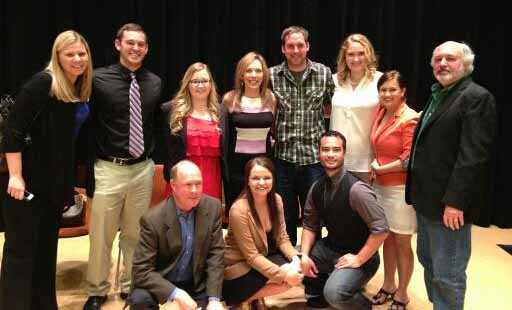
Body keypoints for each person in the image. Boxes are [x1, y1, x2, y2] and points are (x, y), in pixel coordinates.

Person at [0, 30, 93, 310]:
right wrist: (16, 176)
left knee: (45, 252)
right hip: (25, 187)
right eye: (70, 54)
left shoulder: (76, 88)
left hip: (51, 187)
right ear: (57, 56)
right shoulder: (42, 84)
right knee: (21, 253)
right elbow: (12, 133)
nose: (77, 59)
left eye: (82, 53)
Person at [406, 41, 496, 310]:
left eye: (450, 59)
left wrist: (456, 201)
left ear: (465, 64)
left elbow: (473, 157)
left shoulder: (476, 97)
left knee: (448, 273)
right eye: (438, 59)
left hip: (449, 206)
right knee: (429, 261)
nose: (443, 63)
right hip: (427, 202)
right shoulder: (439, 94)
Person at [84, 23, 163, 310]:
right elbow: (85, 124)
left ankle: (132, 286)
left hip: (142, 168)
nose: (135, 48)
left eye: (141, 44)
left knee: (135, 234)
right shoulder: (98, 79)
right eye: (130, 43)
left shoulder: (154, 82)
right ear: (118, 44)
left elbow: (155, 124)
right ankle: (96, 289)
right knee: (101, 235)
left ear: (147, 48)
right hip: (109, 167)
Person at [300, 130, 389, 309]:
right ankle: (322, 284)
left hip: (361, 255)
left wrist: (358, 259)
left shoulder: (357, 190)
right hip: (329, 248)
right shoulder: (317, 187)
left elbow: (382, 229)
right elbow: (309, 225)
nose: (330, 154)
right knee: (293, 260)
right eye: (325, 149)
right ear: (319, 152)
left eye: (336, 149)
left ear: (344, 153)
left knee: (335, 295)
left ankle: (362, 305)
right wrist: (303, 256)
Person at [128, 160, 224, 310]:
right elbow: (141, 269)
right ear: (173, 185)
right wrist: (175, 293)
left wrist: (214, 299)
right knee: (140, 300)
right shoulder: (153, 219)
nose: (194, 190)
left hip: (196, 283)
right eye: (188, 185)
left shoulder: (212, 207)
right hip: (163, 280)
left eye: (198, 184)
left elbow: (215, 255)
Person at [269, 25, 334, 245]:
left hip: (313, 159)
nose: (295, 50)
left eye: (300, 45)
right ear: (283, 49)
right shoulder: (271, 75)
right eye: (290, 46)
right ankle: (288, 259)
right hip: (282, 158)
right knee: (284, 213)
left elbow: (331, 106)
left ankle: (311, 258)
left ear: (307, 46)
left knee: (313, 214)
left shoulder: (324, 73)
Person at [223, 156, 303, 308]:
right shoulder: (238, 210)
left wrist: (295, 258)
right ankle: (243, 298)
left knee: (297, 273)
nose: (261, 183)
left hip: (261, 257)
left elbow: (282, 238)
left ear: (273, 179)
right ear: (247, 180)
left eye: (267, 178)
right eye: (255, 178)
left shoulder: (277, 200)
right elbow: (251, 256)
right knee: (287, 279)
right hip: (239, 266)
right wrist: (284, 274)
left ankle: (252, 297)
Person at [369, 70, 419, 309]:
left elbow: (409, 159)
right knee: (386, 239)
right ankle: (388, 285)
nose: (387, 94)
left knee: (402, 242)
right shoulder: (381, 113)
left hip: (399, 190)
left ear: (403, 91)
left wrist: (381, 169)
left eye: (392, 90)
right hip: (380, 188)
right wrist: (377, 171)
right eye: (383, 89)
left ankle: (402, 293)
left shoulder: (409, 118)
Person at [164, 62, 227, 201]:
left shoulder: (222, 112)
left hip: (212, 179)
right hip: (182, 178)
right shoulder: (171, 110)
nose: (200, 85)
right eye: (195, 81)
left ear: (211, 84)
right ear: (188, 84)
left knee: (207, 219)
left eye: (204, 81)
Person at [222, 52, 276, 214]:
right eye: (249, 70)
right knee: (237, 213)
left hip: (263, 165)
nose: (254, 75)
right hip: (236, 167)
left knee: (263, 212)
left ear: (264, 74)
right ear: (241, 75)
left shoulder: (271, 98)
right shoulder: (229, 99)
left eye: (258, 71)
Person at [330, 33, 383, 183]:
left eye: (361, 54)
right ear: (344, 57)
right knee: (337, 206)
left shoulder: (379, 80)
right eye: (350, 54)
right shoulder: (333, 80)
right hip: (336, 160)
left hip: (367, 161)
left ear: (369, 55)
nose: (355, 59)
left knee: (365, 206)